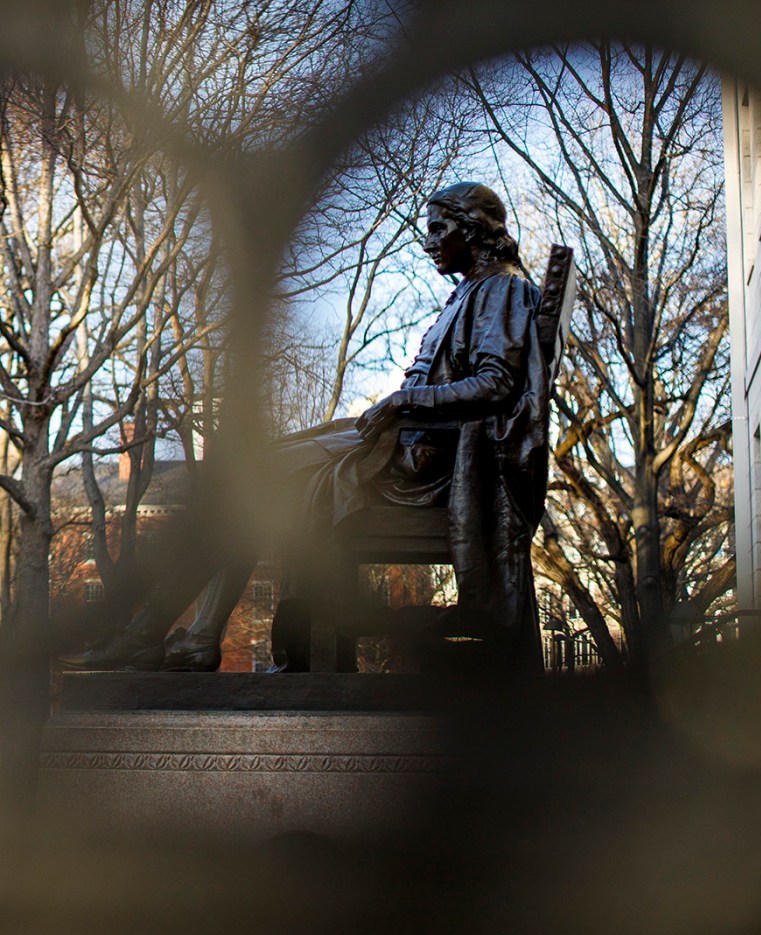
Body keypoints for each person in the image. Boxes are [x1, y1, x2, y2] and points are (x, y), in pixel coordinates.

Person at [64, 182, 552, 674]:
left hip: (427, 467)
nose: (427, 243)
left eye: (437, 230)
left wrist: (405, 400)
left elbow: (496, 385)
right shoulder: (477, 289)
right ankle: (191, 635)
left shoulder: (504, 289)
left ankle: (161, 634)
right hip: (406, 447)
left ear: (471, 229)